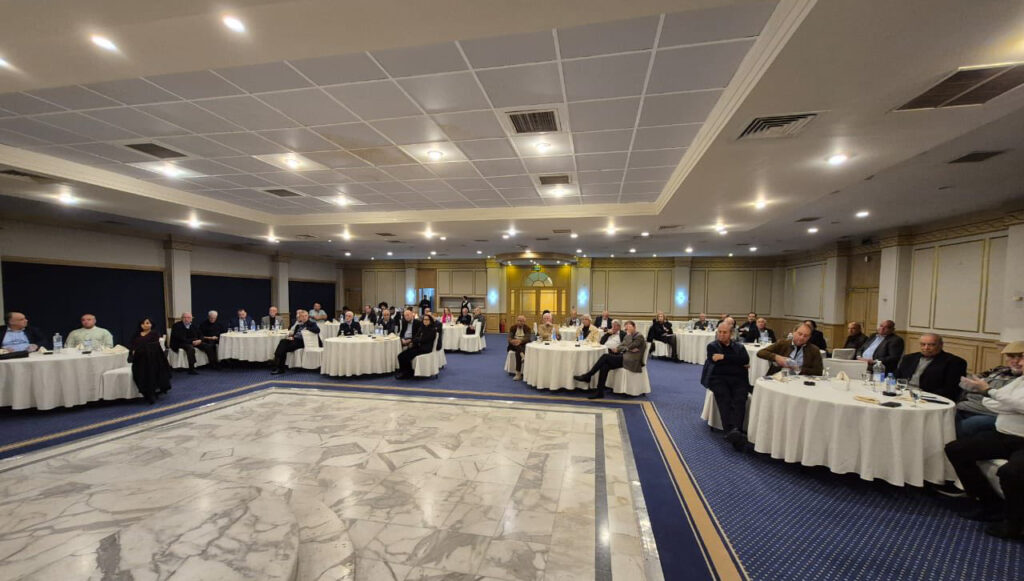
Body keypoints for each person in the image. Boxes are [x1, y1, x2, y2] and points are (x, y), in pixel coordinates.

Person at [944, 374, 1024, 539]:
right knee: (956, 449)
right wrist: (1008, 404)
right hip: (1003, 435)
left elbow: (1013, 403)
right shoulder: (1020, 381)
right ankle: (990, 504)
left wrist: (991, 392)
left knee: (1010, 472)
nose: (1020, 363)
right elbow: (990, 403)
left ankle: (1014, 524)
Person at [957, 341, 1024, 438]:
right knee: (944, 418)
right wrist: (981, 388)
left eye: (1021, 357)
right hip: (966, 406)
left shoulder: (1020, 381)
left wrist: (984, 389)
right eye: (1012, 357)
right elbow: (967, 382)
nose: (1017, 361)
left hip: (990, 413)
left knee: (966, 426)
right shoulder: (999, 369)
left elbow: (1002, 401)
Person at [705, 323, 751, 451]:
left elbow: (745, 360)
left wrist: (724, 357)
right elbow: (715, 362)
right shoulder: (712, 346)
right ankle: (731, 431)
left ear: (731, 334)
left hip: (738, 379)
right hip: (718, 379)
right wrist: (736, 362)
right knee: (724, 398)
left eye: (724, 332)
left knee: (740, 399)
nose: (721, 334)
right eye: (719, 332)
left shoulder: (739, 346)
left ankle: (735, 430)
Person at [574, 320, 645, 399]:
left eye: (629, 327)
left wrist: (626, 346)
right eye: (626, 328)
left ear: (634, 327)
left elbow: (630, 346)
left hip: (632, 361)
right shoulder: (629, 336)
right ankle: (599, 392)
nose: (627, 329)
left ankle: (588, 375)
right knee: (605, 366)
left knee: (605, 356)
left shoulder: (639, 336)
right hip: (625, 357)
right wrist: (626, 348)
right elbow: (621, 346)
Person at [895, 333, 968, 401]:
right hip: (903, 393)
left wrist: (922, 395)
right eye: (923, 344)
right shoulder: (909, 358)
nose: (926, 348)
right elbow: (897, 378)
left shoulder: (954, 362)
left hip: (930, 398)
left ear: (941, 345)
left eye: (931, 345)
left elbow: (950, 390)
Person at [127, 317, 170, 403]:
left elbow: (152, 346)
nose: (145, 325)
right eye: (143, 323)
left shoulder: (154, 334)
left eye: (147, 323)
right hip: (139, 360)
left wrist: (138, 350)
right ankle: (145, 392)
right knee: (139, 372)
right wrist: (133, 351)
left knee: (150, 372)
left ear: (151, 324)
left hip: (152, 359)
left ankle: (151, 393)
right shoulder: (136, 334)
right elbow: (131, 345)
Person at [756, 323, 823, 376]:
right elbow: (761, 353)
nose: (802, 338)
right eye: (800, 334)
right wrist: (776, 357)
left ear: (809, 337)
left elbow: (818, 372)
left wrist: (799, 369)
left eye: (805, 336)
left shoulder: (814, 350)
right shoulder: (783, 343)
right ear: (794, 332)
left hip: (800, 381)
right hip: (779, 378)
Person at [271, 309, 321, 374]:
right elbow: (295, 335)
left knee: (283, 348)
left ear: (308, 316)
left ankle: (277, 366)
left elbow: (317, 330)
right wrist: (291, 337)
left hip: (302, 342)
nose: (304, 317)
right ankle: (278, 365)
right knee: (282, 341)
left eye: (305, 316)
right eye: (302, 316)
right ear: (300, 317)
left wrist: (307, 328)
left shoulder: (311, 324)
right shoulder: (298, 325)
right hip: (295, 340)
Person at [397, 312, 437, 379]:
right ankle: (405, 371)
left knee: (406, 356)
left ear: (430, 321)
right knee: (400, 356)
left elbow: (424, 339)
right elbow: (416, 337)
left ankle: (406, 373)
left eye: (427, 319)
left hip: (425, 349)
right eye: (424, 319)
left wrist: (417, 340)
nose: (425, 321)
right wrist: (416, 340)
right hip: (418, 347)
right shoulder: (422, 328)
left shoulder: (432, 330)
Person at [507, 315, 532, 380]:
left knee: (518, 351)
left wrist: (520, 341)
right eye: (518, 320)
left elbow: (527, 338)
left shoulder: (527, 328)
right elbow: (509, 337)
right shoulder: (513, 327)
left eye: (521, 321)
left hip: (523, 343)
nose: (519, 322)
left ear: (524, 322)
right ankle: (523, 356)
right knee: (517, 346)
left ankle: (518, 373)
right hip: (513, 344)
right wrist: (512, 341)